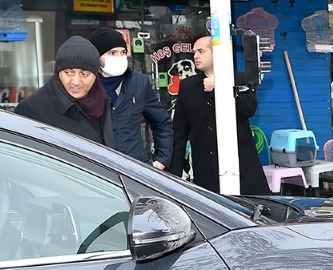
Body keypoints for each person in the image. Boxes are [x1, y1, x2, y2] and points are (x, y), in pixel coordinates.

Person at [168, 36, 271, 195]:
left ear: (216, 52)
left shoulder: (239, 79)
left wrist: (220, 87)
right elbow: (179, 132)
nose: (196, 56)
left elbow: (249, 108)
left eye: (201, 51)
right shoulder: (188, 86)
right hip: (205, 168)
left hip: (242, 165)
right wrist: (174, 172)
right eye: (194, 52)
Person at [88, 28, 172, 170]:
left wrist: (161, 161)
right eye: (112, 53)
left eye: (123, 52)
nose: (119, 57)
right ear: (97, 56)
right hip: (98, 169)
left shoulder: (138, 82)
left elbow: (162, 123)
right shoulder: (87, 84)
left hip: (134, 168)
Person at [16, 36, 115, 146]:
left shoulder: (102, 101)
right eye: (68, 73)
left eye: (84, 74)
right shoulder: (32, 109)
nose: (76, 82)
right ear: (58, 73)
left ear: (96, 75)